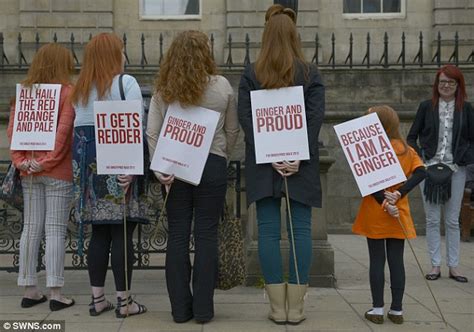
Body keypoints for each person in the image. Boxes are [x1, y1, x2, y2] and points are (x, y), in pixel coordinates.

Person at [238, 4, 325, 325]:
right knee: (300, 230)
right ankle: (297, 308)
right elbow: (315, 120)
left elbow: (246, 120)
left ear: (265, 36)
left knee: (269, 232)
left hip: (264, 163)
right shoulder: (310, 73)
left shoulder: (251, 73)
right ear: (294, 35)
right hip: (300, 162)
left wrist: (272, 154)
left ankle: (276, 308)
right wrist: (297, 155)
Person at [146, 30, 239, 323]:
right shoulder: (222, 86)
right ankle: (203, 309)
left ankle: (179, 310)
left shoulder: (164, 88)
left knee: (177, 235)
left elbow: (152, 132)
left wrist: (159, 168)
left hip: (174, 167)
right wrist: (223, 156)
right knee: (207, 235)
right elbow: (233, 130)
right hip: (211, 163)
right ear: (206, 53)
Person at [71, 33, 148, 318]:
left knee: (99, 233)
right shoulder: (125, 83)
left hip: (88, 169)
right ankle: (124, 301)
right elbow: (135, 128)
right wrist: (131, 169)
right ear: (114, 55)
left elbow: (79, 134)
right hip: (119, 164)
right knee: (122, 232)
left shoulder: (79, 90)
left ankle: (97, 299)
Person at [7, 43, 76, 311]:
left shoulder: (23, 94)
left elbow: (14, 133)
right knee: (55, 229)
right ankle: (56, 292)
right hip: (58, 171)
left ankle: (29, 289)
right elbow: (63, 133)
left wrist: (24, 163)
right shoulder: (67, 93)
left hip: (29, 172)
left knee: (31, 227)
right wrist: (46, 162)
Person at [352, 106, 426, 325]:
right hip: (398, 210)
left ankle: (377, 309)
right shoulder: (405, 149)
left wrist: (384, 199)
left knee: (377, 260)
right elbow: (421, 172)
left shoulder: (370, 149)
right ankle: (397, 310)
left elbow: (368, 183)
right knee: (396, 260)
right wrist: (398, 194)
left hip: (376, 211)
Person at [407, 65, 474, 283]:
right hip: (429, 170)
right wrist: (422, 160)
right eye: (442, 82)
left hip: (456, 170)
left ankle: (453, 266)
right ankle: (435, 265)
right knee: (432, 218)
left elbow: (471, 140)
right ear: (437, 85)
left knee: (453, 220)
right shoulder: (426, 107)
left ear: (458, 86)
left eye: (450, 82)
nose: (446, 86)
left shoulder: (467, 109)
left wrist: (462, 159)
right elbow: (411, 138)